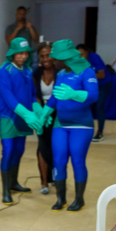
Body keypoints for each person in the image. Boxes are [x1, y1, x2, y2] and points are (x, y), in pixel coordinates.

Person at [47, 39, 99, 212]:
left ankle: (79, 199)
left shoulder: (87, 72)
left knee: (77, 161)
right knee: (59, 161)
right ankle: (60, 198)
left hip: (81, 125)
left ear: (65, 58)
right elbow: (54, 98)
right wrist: (42, 115)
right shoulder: (61, 74)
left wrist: (74, 94)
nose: (53, 62)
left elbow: (93, 96)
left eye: (55, 58)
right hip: (61, 124)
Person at [0, 37, 43, 204]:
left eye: (25, 53)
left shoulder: (28, 72)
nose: (22, 56)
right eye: (19, 53)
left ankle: (14, 183)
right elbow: (8, 98)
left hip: (24, 116)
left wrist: (36, 107)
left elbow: (31, 94)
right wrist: (26, 114)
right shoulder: (4, 72)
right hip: (8, 116)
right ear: (12, 54)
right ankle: (5, 190)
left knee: (19, 150)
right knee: (7, 150)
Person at [33, 42, 57, 194]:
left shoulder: (60, 72)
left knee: (56, 145)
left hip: (57, 112)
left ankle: (56, 176)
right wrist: (40, 112)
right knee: (42, 145)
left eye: (48, 55)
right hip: (41, 111)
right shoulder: (36, 73)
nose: (45, 59)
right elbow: (35, 94)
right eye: (42, 56)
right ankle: (43, 182)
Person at [76, 43, 109, 142]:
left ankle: (100, 132)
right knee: (87, 108)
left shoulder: (94, 57)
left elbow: (102, 74)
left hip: (103, 85)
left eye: (82, 54)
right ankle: (86, 131)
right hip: (89, 86)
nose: (80, 57)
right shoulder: (78, 62)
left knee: (99, 107)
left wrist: (87, 77)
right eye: (78, 55)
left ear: (87, 53)